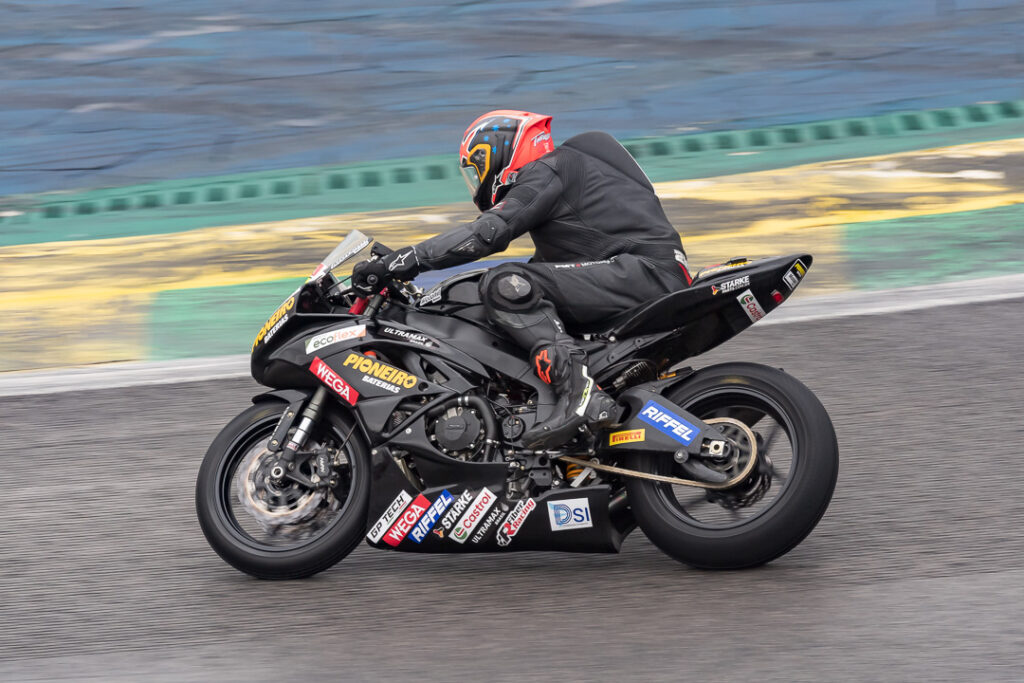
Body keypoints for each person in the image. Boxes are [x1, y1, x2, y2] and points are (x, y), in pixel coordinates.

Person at [352, 110, 691, 450]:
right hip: (640, 274)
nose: (477, 181)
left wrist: (405, 260)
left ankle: (579, 392)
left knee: (506, 283)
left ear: (500, 151)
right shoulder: (569, 186)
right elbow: (546, 276)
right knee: (511, 291)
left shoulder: (549, 168)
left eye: (477, 167)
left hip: (644, 274)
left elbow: (487, 233)